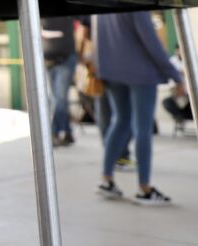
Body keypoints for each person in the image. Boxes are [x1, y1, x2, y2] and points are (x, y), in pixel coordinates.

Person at [94, 12, 185, 205]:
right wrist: (175, 75)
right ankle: (145, 188)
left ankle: (107, 179)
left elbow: (98, 36)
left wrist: (102, 70)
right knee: (142, 128)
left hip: (112, 71)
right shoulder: (135, 0)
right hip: (141, 73)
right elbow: (150, 41)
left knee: (120, 120)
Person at [41, 16, 84, 146]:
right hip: (48, 60)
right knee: (55, 98)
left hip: (66, 59)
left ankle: (54, 132)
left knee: (59, 98)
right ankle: (67, 132)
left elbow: (82, 26)